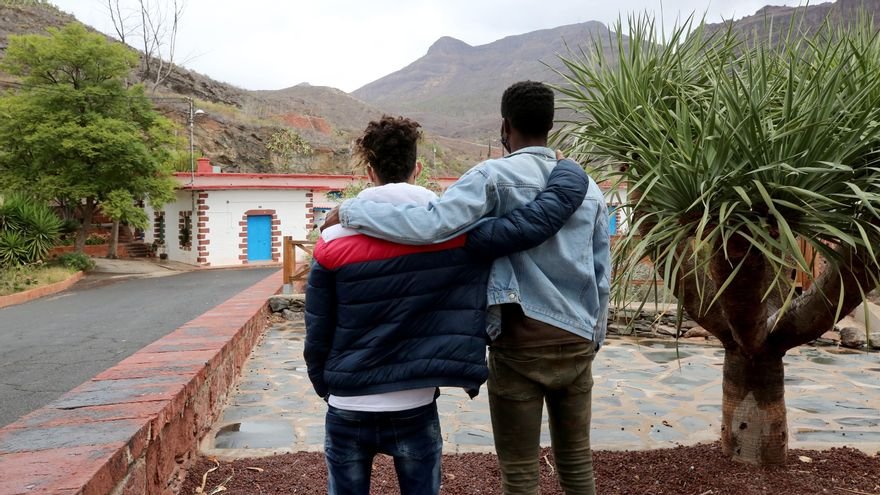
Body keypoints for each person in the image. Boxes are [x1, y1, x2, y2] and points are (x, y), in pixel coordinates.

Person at [327, 82, 611, 495]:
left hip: (519, 344)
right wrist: (594, 336)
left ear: (505, 126)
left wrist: (351, 210)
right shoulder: (589, 188)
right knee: (577, 462)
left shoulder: (491, 177)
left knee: (520, 472)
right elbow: (602, 272)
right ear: (550, 125)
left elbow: (430, 225)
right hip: (578, 341)